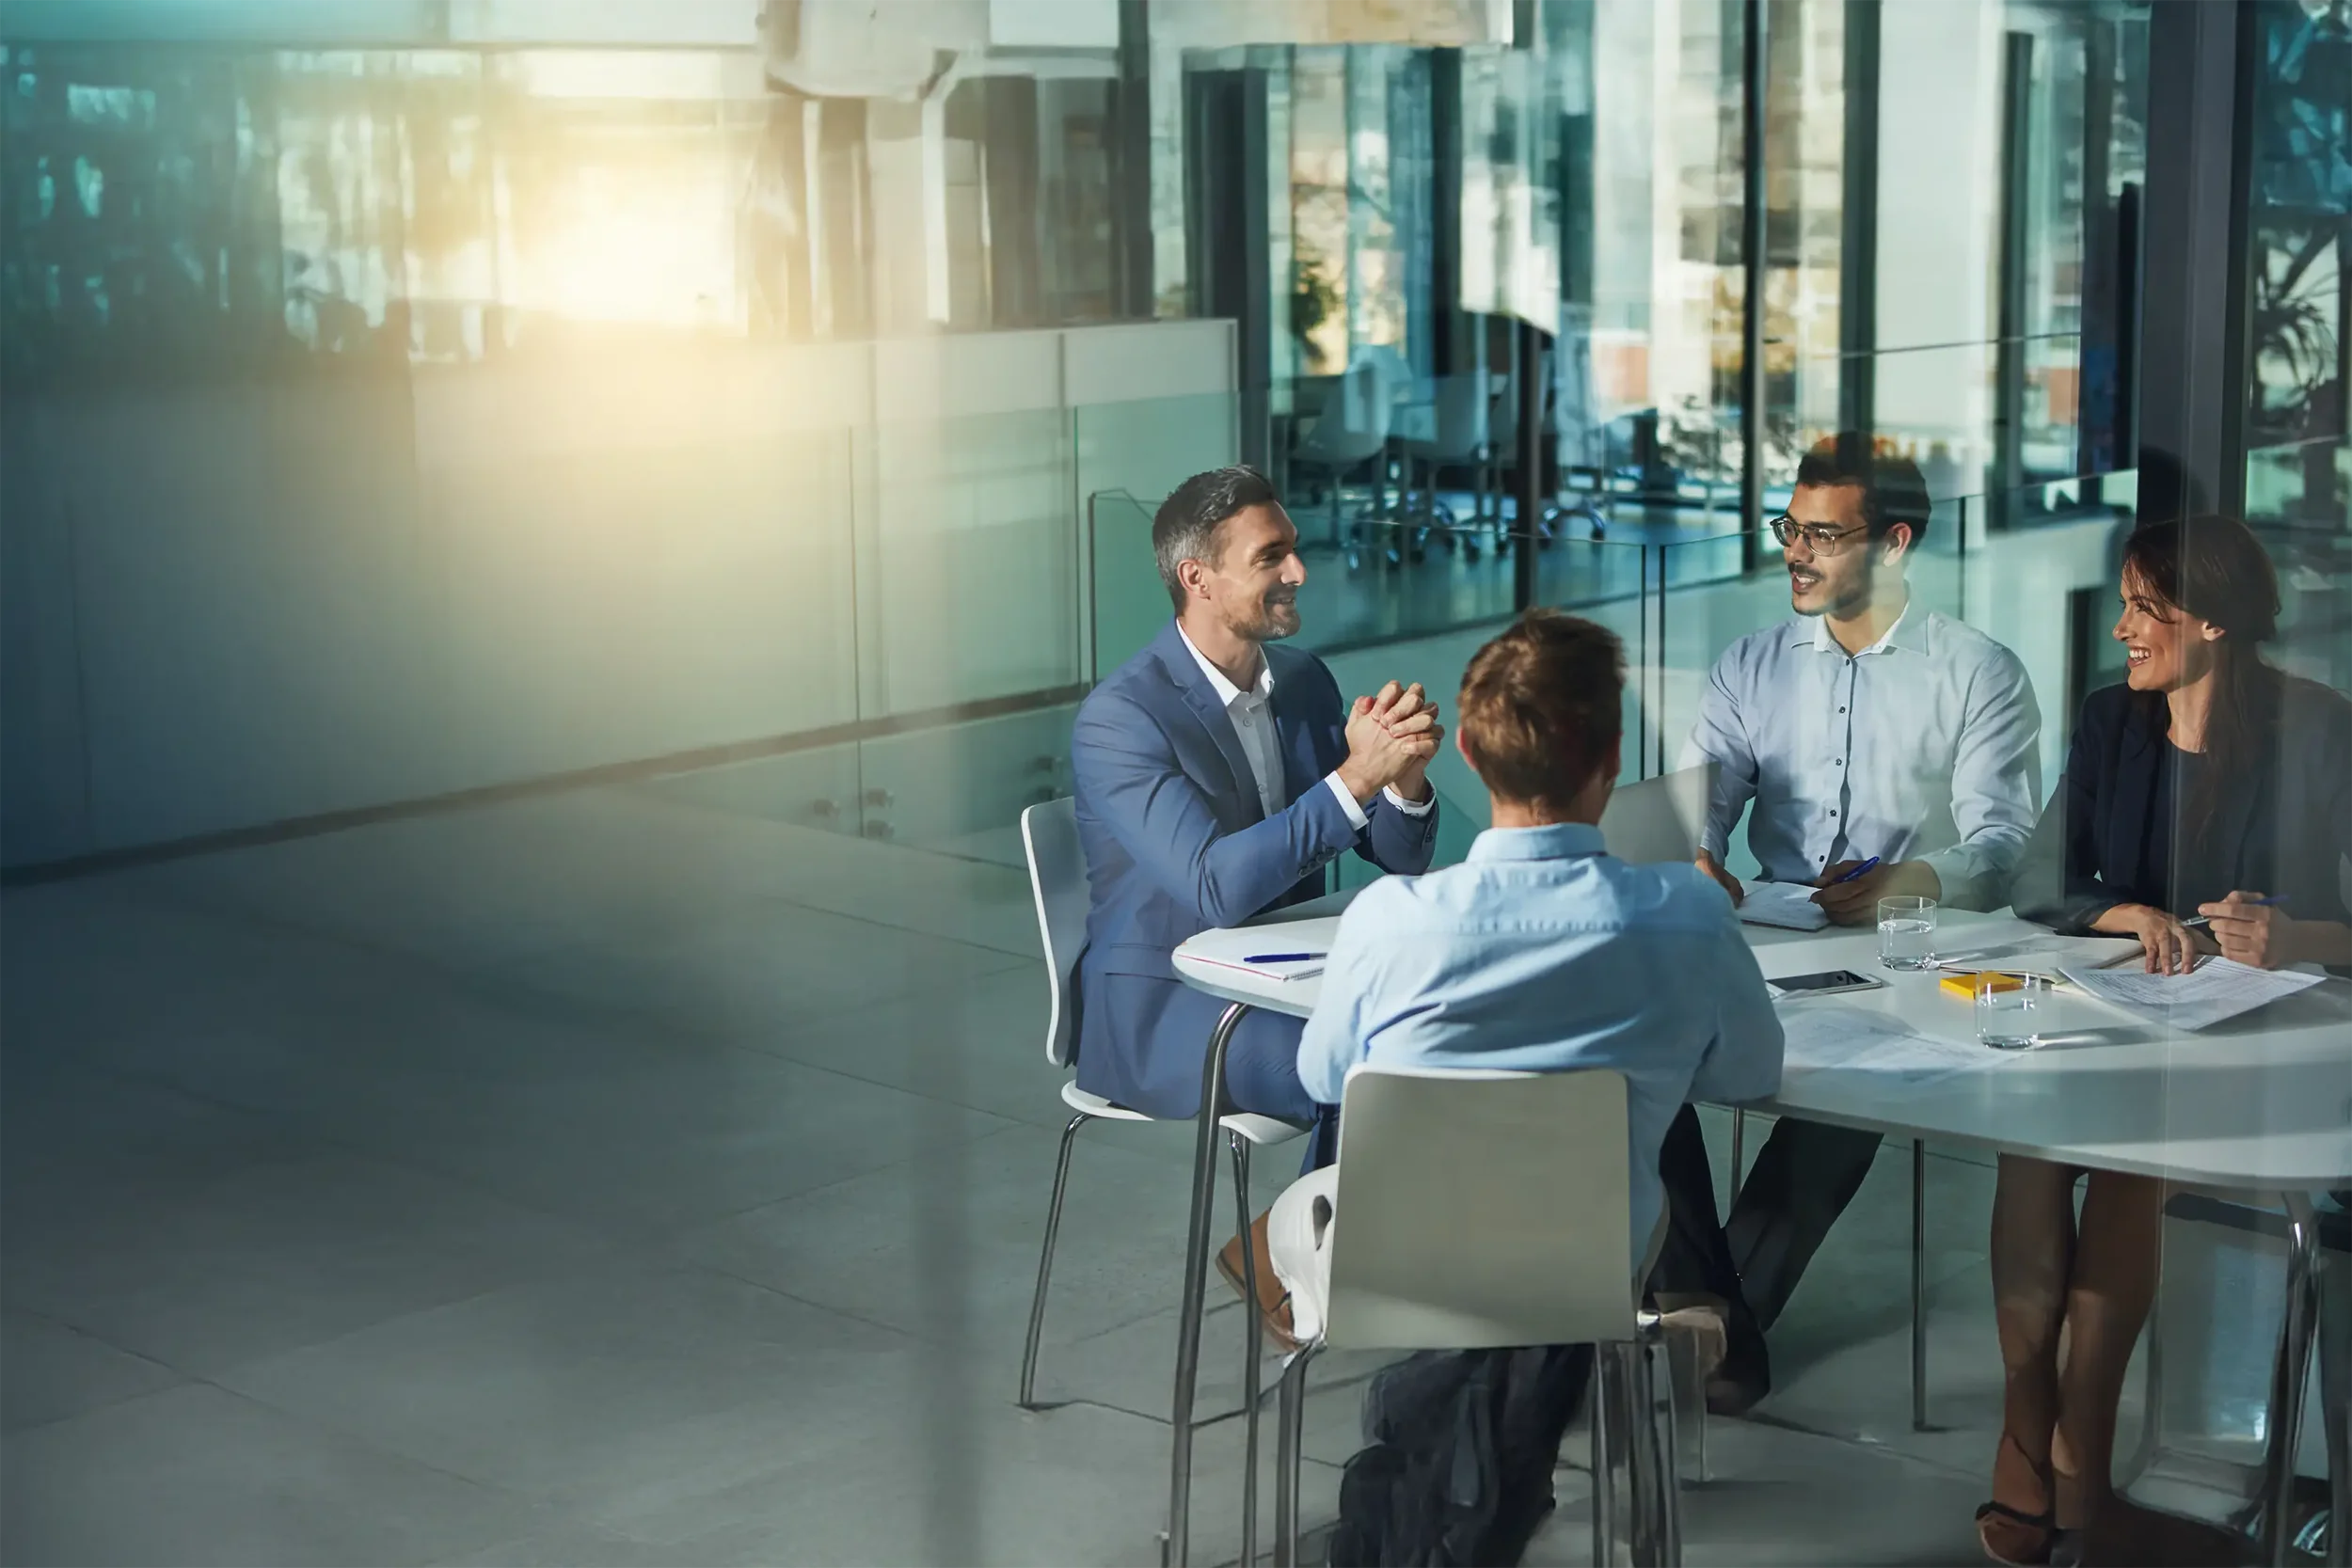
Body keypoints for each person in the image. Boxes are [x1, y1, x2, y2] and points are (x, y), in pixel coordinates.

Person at [1985, 515, 2352, 1566]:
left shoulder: (2319, 729)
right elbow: (2038, 877)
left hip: (2251, 1034)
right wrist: (2125, 916)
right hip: (2120, 1003)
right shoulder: (2113, 722)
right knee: (2032, 1133)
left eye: (2145, 607)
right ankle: (2039, 1441)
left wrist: (2296, 937)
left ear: (2215, 621)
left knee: (2124, 1162)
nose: (2121, 629)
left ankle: (2070, 1463)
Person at [1266, 609, 1785, 1350]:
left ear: (1470, 754)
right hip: (1592, 1268)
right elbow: (1750, 1070)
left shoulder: (1390, 921)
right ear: (1612, 756)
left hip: (1400, 1266)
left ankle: (1451, 1420)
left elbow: (1322, 1077)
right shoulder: (1694, 917)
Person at [1653, 433, 2043, 1412]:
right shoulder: (1751, 664)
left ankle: (1709, 1327)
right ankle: (1715, 1323)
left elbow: (2005, 842)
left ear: (1895, 542)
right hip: (1764, 927)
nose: (1795, 550)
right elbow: (1697, 799)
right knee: (1631, 1048)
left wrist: (1911, 877)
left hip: (1904, 947)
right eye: (1790, 526)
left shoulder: (1976, 671)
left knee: (1851, 1087)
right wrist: (1694, 848)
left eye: (1823, 533)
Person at [1067, 465, 1442, 1145]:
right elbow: (1215, 887)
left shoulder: (1302, 680)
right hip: (1169, 1008)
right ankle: (1308, 1246)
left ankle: (1315, 1242)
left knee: (1451, 1043)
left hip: (1288, 974)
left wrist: (1401, 780)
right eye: (1271, 556)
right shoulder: (1120, 719)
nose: (1299, 569)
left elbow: (1400, 855)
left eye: (1292, 546)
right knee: (1365, 1072)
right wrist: (1357, 778)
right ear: (1197, 579)